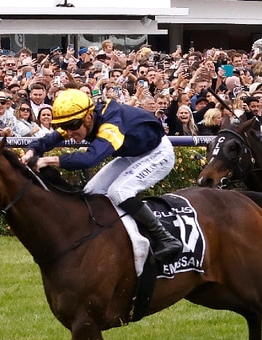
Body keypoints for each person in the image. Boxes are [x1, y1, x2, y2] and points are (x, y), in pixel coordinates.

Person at [22, 88, 183, 263]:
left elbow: (89, 159)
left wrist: (47, 161)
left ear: (88, 118)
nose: (68, 132)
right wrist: (32, 150)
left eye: (71, 127)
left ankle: (165, 237)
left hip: (158, 153)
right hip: (133, 154)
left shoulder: (110, 126)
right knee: (91, 192)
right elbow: (49, 139)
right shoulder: (78, 121)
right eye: (63, 127)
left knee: (119, 192)